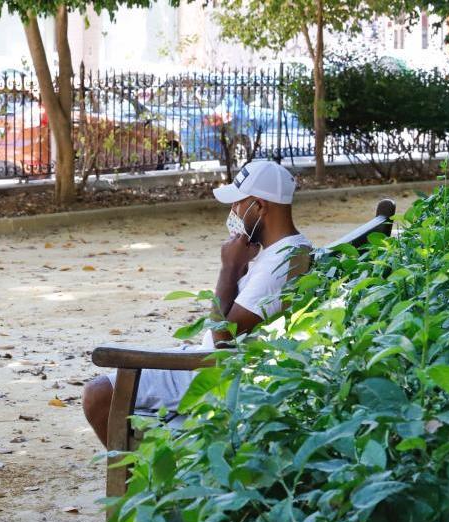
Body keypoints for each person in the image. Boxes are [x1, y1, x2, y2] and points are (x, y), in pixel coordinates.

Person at [82, 160, 313, 447]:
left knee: (98, 395)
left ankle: (141, 487)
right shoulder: (290, 251)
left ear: (260, 206)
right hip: (214, 364)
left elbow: (223, 341)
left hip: (212, 371)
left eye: (238, 205)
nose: (233, 213)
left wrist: (228, 268)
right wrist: (239, 268)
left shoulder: (280, 263)